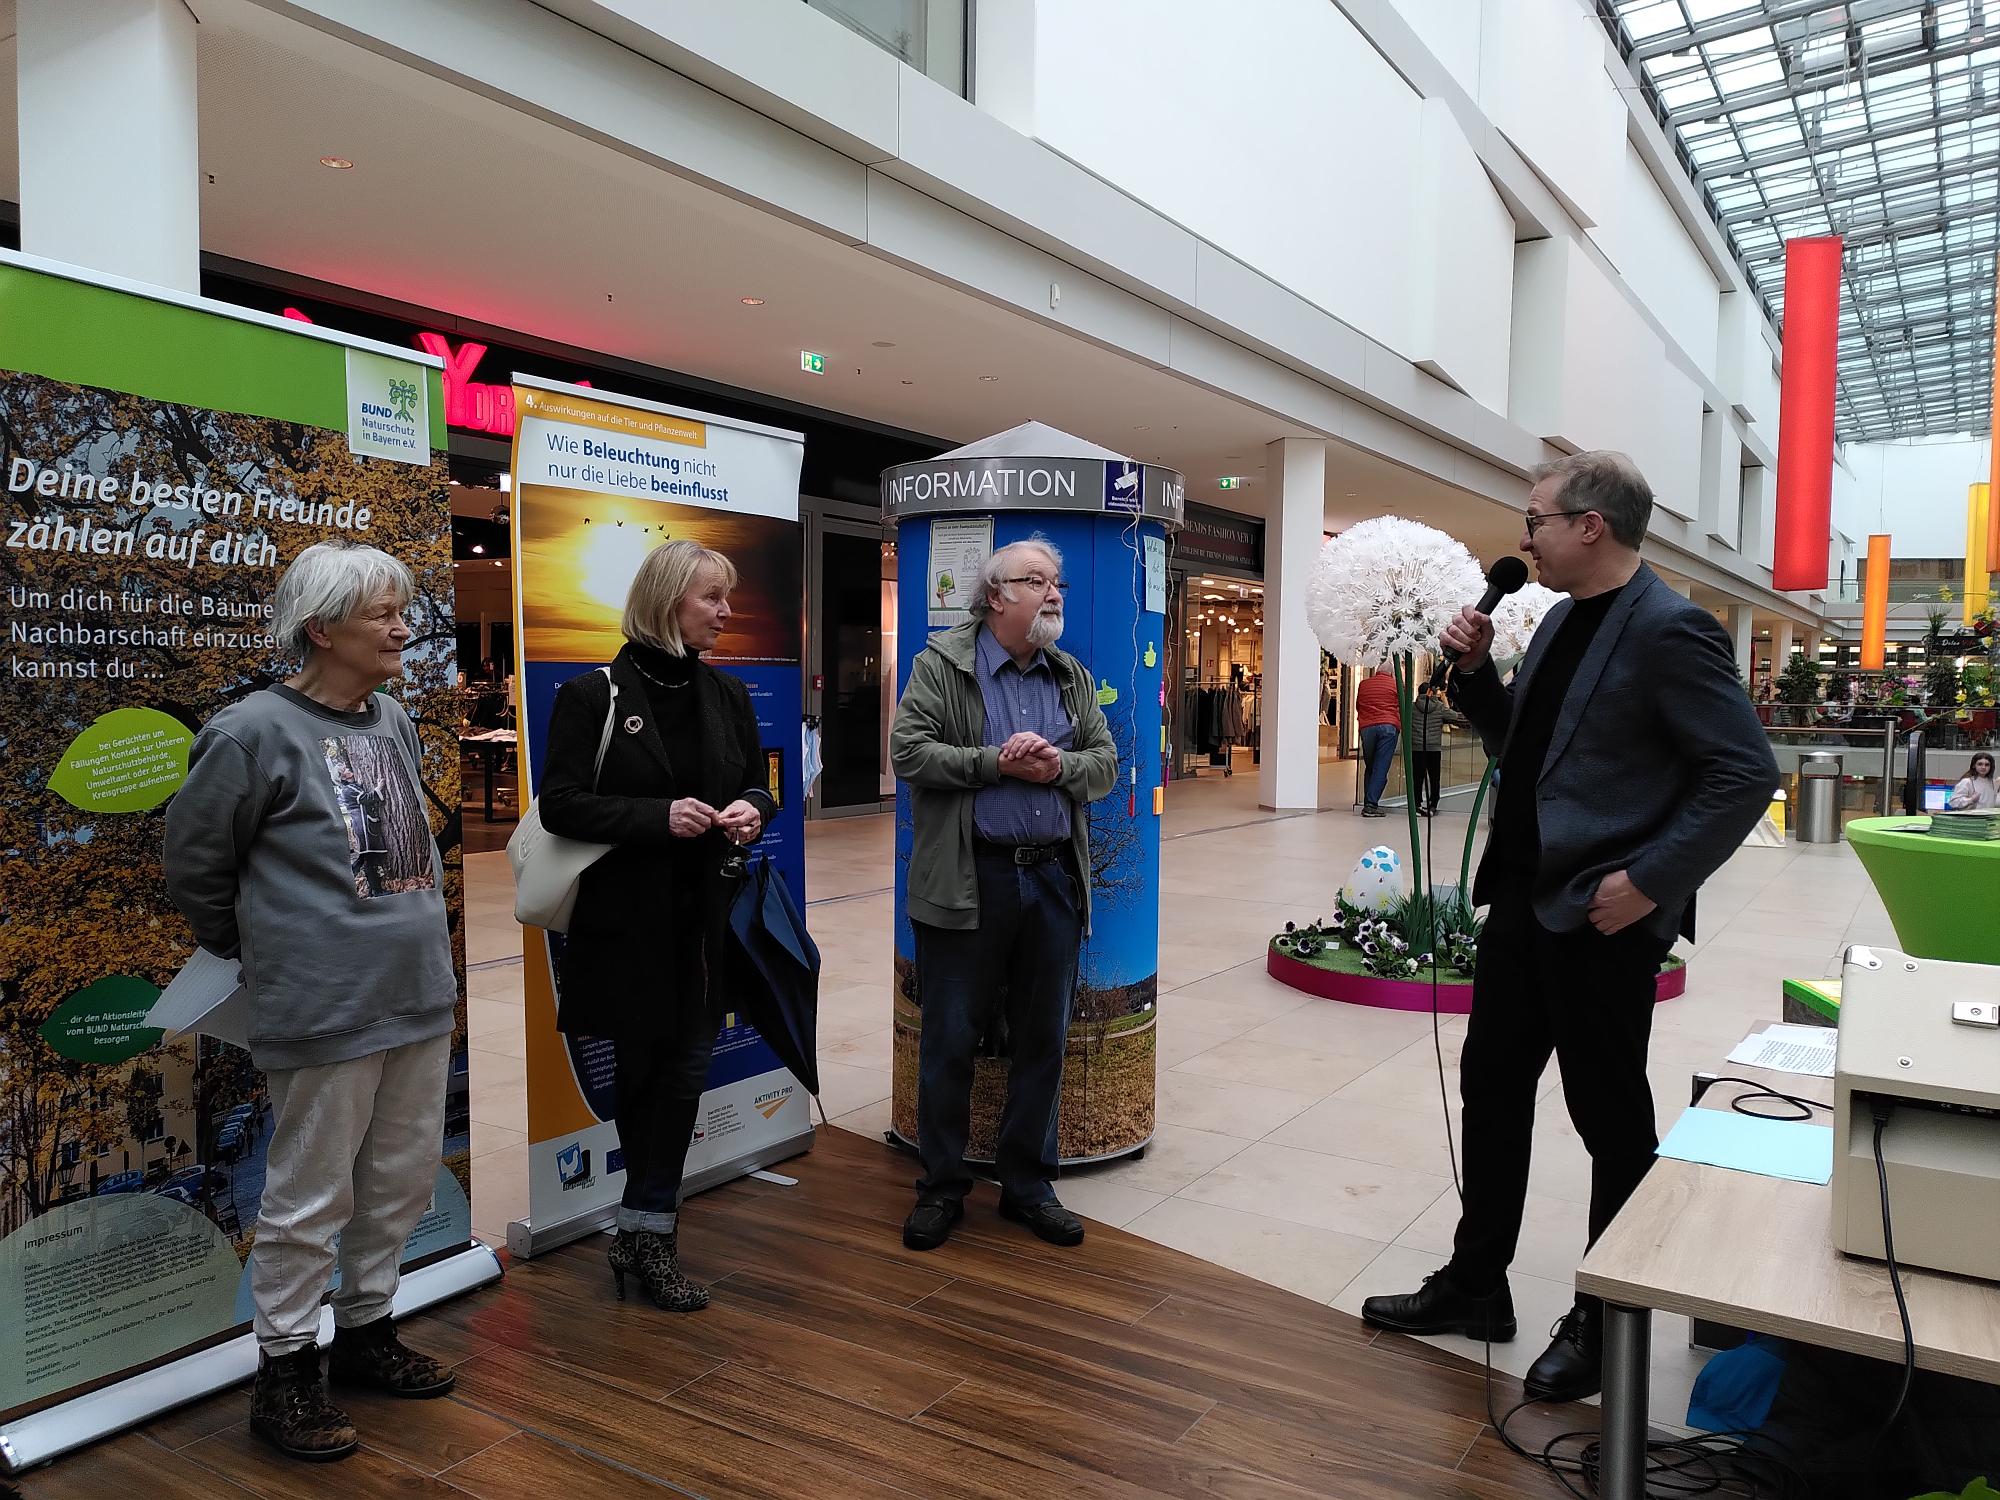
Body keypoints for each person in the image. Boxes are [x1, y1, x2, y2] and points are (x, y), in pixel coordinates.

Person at [1361, 451, 1777, 1403]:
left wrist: (1648, 884)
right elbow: (1524, 746)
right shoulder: (1551, 620)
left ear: (1592, 525)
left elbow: (1744, 773)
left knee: (1609, 1116)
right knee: (1493, 1089)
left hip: (1601, 917)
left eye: (1536, 519)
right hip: (1522, 900)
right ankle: (1477, 1283)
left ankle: (1604, 1317)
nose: (1523, 536)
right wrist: (1472, 674)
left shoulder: (1672, 631)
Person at [165, 540, 459, 1463]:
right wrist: (270, 948)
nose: (404, 629)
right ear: (321, 627)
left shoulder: (395, 723)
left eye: (402, 612)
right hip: (322, 1008)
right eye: (383, 615)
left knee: (400, 1183)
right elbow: (195, 867)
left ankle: (368, 1332)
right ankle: (286, 1375)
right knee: (307, 1197)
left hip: (418, 997)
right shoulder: (249, 732)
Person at [536, 540, 774, 1313]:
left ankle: (645, 1235)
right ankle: (644, 1235)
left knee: (682, 1080)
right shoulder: (593, 695)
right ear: (668, 598)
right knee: (642, 1081)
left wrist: (752, 811)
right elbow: (560, 804)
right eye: (712, 597)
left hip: (706, 926)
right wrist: (655, 817)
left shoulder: (728, 695)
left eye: (727, 598)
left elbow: (759, 785)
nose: (726, 612)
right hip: (627, 928)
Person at [890, 537, 1117, 1252]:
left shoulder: (1070, 675)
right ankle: (942, 1187)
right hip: (970, 877)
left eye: (1058, 584)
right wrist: (996, 763)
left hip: (1051, 877)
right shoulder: (941, 665)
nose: (1054, 594)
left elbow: (1106, 763)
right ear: (996, 596)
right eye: (1037, 581)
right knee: (952, 1038)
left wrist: (1056, 769)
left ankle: (1027, 1186)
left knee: (1042, 1037)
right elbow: (909, 752)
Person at [1409, 680, 1464, 816]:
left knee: (1417, 776)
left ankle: (1416, 804)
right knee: (1434, 777)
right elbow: (1454, 716)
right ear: (1432, 693)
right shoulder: (1439, 707)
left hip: (1417, 747)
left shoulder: (1412, 707)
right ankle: (1433, 803)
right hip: (1433, 748)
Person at [1355, 668, 1400, 816]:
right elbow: (1402, 707)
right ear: (1392, 673)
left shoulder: (1363, 684)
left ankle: (1369, 802)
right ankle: (1371, 805)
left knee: (1371, 765)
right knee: (1381, 767)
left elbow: (1358, 705)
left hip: (1367, 727)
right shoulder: (1396, 684)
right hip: (1388, 726)